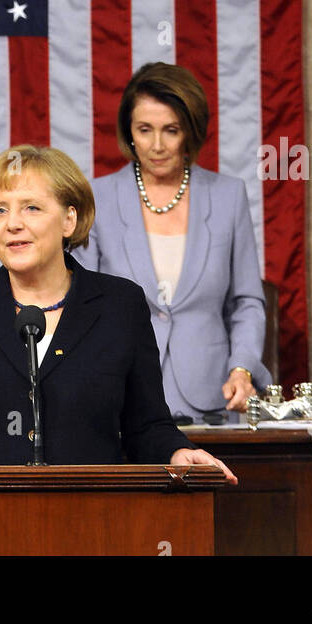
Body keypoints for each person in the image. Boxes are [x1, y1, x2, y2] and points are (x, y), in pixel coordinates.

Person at [0, 145, 236, 477]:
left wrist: (178, 451)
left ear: (69, 220)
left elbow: (145, 424)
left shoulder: (119, 305)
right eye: (0, 210)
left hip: (93, 524)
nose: (12, 224)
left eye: (32, 208)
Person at [77, 62, 269, 422]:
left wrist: (242, 368)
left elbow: (247, 302)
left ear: (190, 132)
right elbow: (82, 304)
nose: (157, 145)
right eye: (145, 130)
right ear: (128, 132)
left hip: (214, 401)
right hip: (121, 398)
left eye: (171, 130)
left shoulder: (228, 196)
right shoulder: (97, 197)